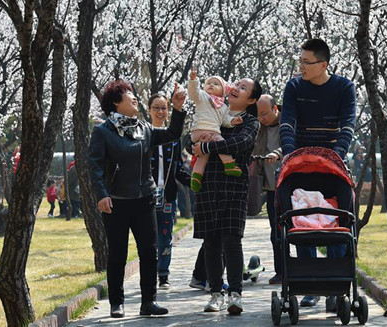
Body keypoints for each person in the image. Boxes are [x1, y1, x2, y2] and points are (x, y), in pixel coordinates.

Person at [88, 79, 186, 318]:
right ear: (115, 102)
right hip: (116, 201)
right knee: (118, 253)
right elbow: (95, 166)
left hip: (144, 199)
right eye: (128, 94)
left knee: (149, 252)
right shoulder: (103, 132)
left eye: (133, 93)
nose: (134, 98)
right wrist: (102, 195)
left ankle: (148, 302)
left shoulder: (145, 128)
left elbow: (173, 133)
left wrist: (178, 108)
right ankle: (116, 303)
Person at [279, 38, 356, 309]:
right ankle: (308, 282)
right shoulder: (294, 87)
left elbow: (348, 124)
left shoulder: (344, 87)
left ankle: (336, 286)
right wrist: (290, 153)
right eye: (299, 61)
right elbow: (287, 121)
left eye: (306, 62)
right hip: (300, 163)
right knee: (299, 219)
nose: (301, 66)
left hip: (332, 164)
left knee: (340, 218)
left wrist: (337, 155)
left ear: (323, 64)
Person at [191, 77, 262, 314]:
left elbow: (239, 143)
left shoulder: (250, 122)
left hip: (234, 187)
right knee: (210, 242)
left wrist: (207, 147)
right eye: (236, 85)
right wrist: (193, 143)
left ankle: (235, 294)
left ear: (251, 99)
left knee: (232, 241)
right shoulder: (213, 108)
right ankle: (215, 294)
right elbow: (188, 136)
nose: (236, 89)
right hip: (208, 184)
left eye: (243, 88)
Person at [147, 93, 191, 289]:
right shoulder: (144, 134)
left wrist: (194, 182)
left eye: (164, 108)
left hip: (167, 195)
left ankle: (163, 274)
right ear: (149, 110)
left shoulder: (173, 138)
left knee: (165, 235)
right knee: (148, 238)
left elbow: (179, 168)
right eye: (156, 107)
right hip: (146, 195)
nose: (160, 111)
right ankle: (147, 274)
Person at [187, 66, 243, 192]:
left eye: (216, 84)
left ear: (223, 91)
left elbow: (225, 121)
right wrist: (193, 80)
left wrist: (233, 121)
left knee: (203, 155)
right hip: (201, 130)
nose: (211, 85)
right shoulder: (202, 96)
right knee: (220, 141)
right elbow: (193, 93)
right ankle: (229, 164)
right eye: (208, 83)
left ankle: (196, 177)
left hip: (205, 134)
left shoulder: (223, 107)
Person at [253, 94, 283, 284]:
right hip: (271, 188)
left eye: (264, 114)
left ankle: (298, 269)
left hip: (288, 184)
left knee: (294, 232)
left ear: (275, 109)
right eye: (258, 115)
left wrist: (277, 154)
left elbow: (290, 145)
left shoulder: (287, 123)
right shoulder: (259, 129)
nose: (261, 118)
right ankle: (280, 271)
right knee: (275, 233)